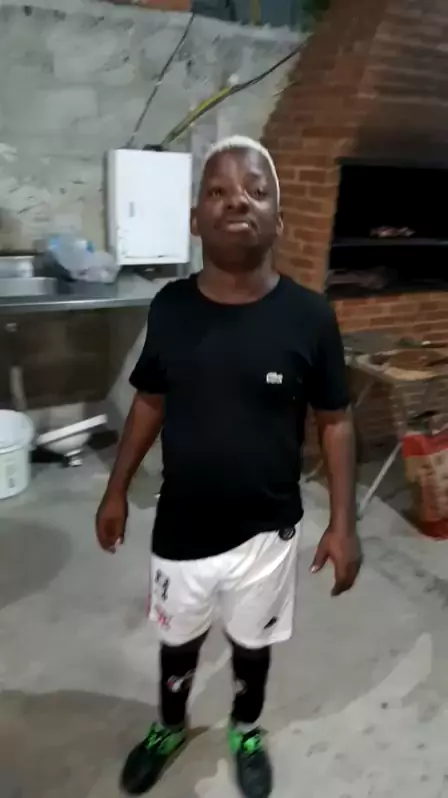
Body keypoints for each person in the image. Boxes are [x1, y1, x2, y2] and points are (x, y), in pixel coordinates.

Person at [96, 135, 362, 798]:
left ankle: (246, 727)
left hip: (266, 532)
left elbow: (335, 420)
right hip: (181, 527)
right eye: (217, 191)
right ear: (195, 221)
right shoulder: (171, 308)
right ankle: (170, 725)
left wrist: (344, 524)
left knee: (252, 643)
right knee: (178, 641)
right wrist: (116, 489)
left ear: (279, 219)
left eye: (255, 190)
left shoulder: (310, 317)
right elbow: (150, 400)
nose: (237, 200)